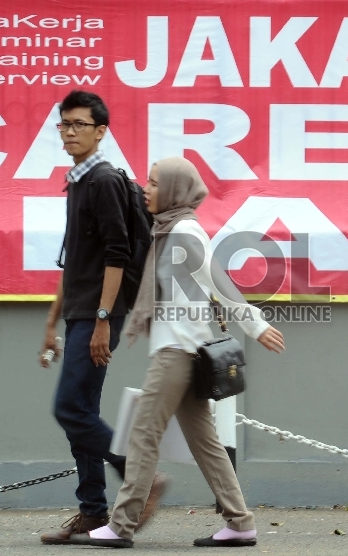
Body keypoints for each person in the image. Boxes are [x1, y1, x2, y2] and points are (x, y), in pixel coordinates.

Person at [69, 157, 286, 549]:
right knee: (205, 443)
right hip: (182, 351)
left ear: (172, 189)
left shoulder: (184, 232)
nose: (146, 189)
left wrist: (255, 324)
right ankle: (239, 522)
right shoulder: (166, 232)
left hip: (177, 352)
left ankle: (120, 526)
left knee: (142, 436)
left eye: (153, 183)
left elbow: (218, 281)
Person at [38, 90, 164, 544]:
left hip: (99, 313)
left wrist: (104, 318)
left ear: (100, 131)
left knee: (69, 408)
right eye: (64, 125)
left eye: (79, 125)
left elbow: (116, 254)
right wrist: (53, 323)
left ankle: (138, 476)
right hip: (82, 311)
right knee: (80, 415)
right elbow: (73, 261)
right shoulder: (78, 181)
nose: (70, 132)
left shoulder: (105, 180)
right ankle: (92, 511)